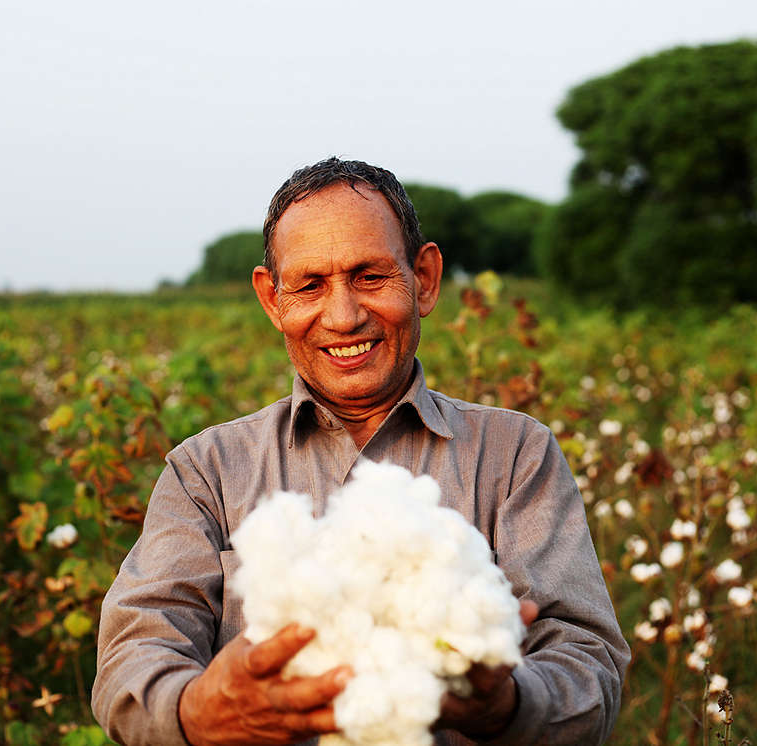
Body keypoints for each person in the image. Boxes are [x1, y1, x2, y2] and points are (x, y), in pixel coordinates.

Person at [92, 157, 630, 745]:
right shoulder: (207, 471)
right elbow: (132, 657)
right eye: (310, 285)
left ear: (423, 279)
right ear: (272, 300)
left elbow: (589, 668)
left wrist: (508, 705)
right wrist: (197, 711)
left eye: (370, 276)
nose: (343, 316)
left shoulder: (514, 454)